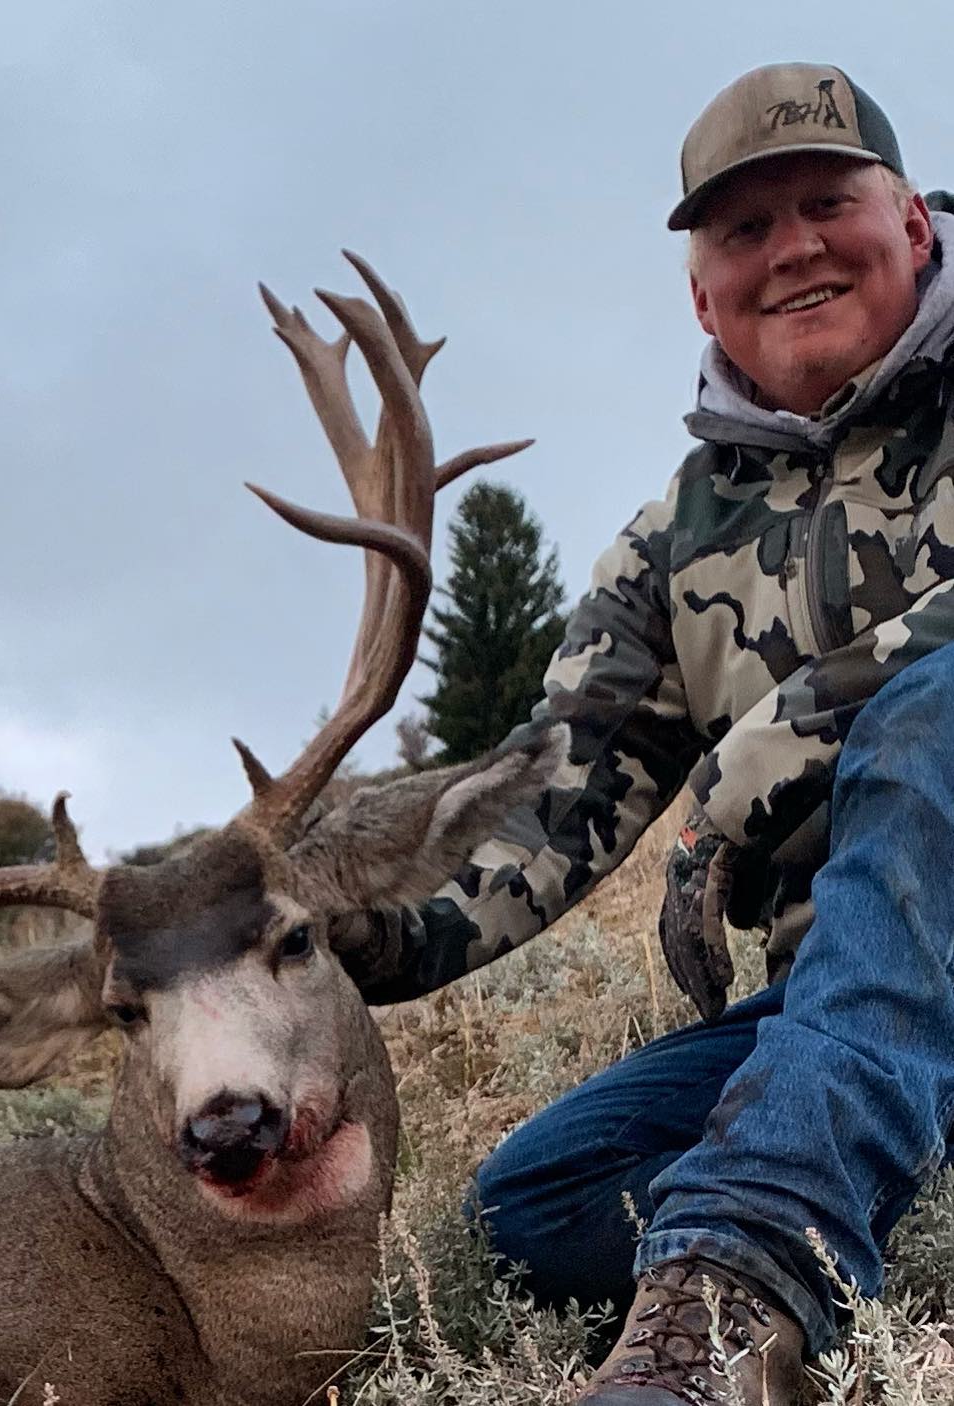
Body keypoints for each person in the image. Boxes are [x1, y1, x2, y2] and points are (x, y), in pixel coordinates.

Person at [338, 62, 954, 1405]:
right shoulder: (674, 540)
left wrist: (752, 761)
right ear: (701, 293)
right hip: (854, 1003)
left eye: (822, 202)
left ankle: (734, 1294)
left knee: (934, 709)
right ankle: (853, 1180)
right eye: (743, 229)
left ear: (907, 222)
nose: (789, 246)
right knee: (533, 1205)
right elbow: (556, 794)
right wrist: (364, 936)